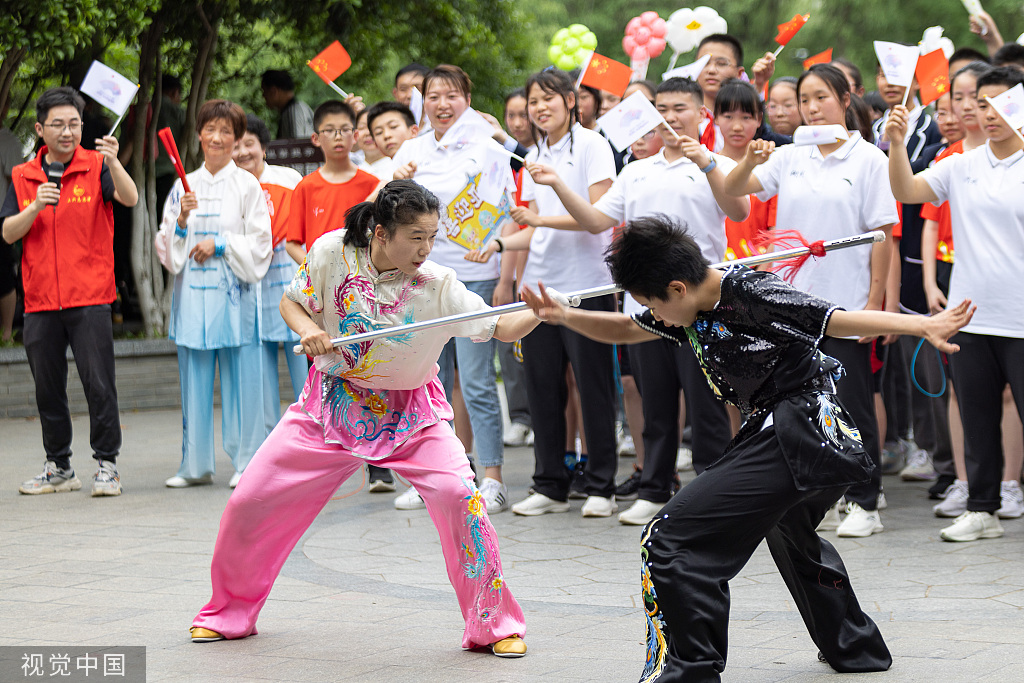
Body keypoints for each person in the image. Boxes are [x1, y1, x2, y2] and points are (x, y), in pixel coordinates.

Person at [520, 215, 973, 682]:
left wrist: (923, 326)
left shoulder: (750, 291)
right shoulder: (688, 307)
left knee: (670, 540)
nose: (652, 316)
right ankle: (855, 647)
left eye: (650, 303)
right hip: (796, 437)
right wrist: (565, 316)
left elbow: (835, 319)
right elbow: (628, 330)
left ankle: (690, 672)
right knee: (792, 532)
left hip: (803, 433)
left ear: (677, 288)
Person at [188, 180, 538, 657]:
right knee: (251, 497)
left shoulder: (438, 283)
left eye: (432, 236)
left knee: (461, 495)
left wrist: (540, 313)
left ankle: (493, 624)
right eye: (415, 236)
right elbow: (292, 300)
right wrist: (311, 329)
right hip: (332, 404)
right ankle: (228, 612)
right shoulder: (331, 251)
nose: (425, 248)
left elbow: (499, 325)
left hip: (412, 414)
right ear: (379, 232)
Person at [492, 76, 745, 527]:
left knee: (706, 404)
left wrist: (708, 163)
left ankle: (712, 490)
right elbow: (594, 220)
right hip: (647, 307)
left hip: (702, 305)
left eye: (680, 108)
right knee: (656, 402)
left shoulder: (715, 163)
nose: (669, 117)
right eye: (661, 108)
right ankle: (654, 487)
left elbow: (740, 209)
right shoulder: (637, 170)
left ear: (701, 113)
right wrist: (557, 185)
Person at [724, 64, 898, 539]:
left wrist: (875, 301)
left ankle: (865, 499)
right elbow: (735, 190)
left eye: (821, 96)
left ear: (846, 100)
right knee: (795, 400)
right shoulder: (789, 155)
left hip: (844, 301)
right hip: (789, 304)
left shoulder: (869, 162)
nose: (811, 106)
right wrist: (749, 159)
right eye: (804, 99)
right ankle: (806, 496)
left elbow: (883, 235)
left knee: (852, 402)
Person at [886, 66, 1024, 542]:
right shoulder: (960, 162)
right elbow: (907, 191)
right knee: (976, 414)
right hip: (971, 315)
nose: (987, 113)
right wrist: (898, 144)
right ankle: (982, 509)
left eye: (1001, 102)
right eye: (982, 103)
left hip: (1022, 318)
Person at [475, 68, 620, 518]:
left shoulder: (594, 146)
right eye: (534, 100)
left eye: (549, 98)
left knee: (592, 386)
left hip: (586, 286)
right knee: (542, 387)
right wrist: (501, 243)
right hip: (539, 287)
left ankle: (601, 485)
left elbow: (599, 217)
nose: (540, 107)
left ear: (571, 101)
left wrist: (551, 195)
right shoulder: (535, 153)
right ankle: (550, 484)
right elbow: (533, 228)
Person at [391, 65, 519, 513]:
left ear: (467, 98)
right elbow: (384, 213)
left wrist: (504, 274)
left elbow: (507, 206)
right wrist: (398, 178)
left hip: (474, 272)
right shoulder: (410, 149)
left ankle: (492, 476)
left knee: (478, 379)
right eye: (433, 96)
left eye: (452, 95)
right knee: (429, 379)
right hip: (420, 276)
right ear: (420, 101)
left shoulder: (488, 146)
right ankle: (435, 476)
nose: (442, 105)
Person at [2, 87, 138, 496]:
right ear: (40, 129)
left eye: (74, 123)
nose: (67, 131)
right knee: (47, 387)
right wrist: (34, 206)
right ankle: (58, 466)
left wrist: (114, 161)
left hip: (91, 296)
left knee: (99, 383)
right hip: (41, 298)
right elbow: (8, 232)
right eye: (58, 124)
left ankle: (107, 466)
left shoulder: (97, 165)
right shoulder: (23, 175)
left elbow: (129, 198)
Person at [156, 99, 272, 489]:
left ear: (237, 139)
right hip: (192, 300)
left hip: (234, 299)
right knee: (194, 379)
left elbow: (260, 243)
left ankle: (247, 461)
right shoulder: (181, 185)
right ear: (199, 133)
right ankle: (194, 464)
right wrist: (184, 220)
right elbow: (167, 248)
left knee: (243, 382)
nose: (218, 138)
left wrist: (220, 244)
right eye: (211, 130)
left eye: (227, 132)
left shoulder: (247, 185)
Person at [233, 114, 308, 429]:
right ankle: (266, 440)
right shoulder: (229, 186)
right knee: (257, 369)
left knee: (303, 361)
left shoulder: (288, 179)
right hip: (250, 284)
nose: (242, 152)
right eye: (235, 145)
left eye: (249, 143)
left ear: (263, 147)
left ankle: (314, 432)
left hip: (289, 279)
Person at [284, 101, 382, 265]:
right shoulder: (306, 186)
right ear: (315, 138)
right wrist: (313, 270)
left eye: (345, 130)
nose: (338, 136)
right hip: (320, 278)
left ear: (355, 135)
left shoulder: (372, 184)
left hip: (360, 276)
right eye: (329, 130)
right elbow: (292, 244)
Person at [0, 115, 24, 343]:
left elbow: (14, 182)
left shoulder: (7, 141)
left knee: (4, 275)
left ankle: (6, 333)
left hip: (1, 218)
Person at [261, 70, 314, 140]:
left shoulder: (292, 113)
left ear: (273, 91)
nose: (263, 96)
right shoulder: (302, 107)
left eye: (264, 91)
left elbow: (296, 147)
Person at [354, 108, 394, 180]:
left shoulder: (397, 170)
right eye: (362, 127)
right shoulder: (350, 173)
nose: (368, 133)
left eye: (375, 128)